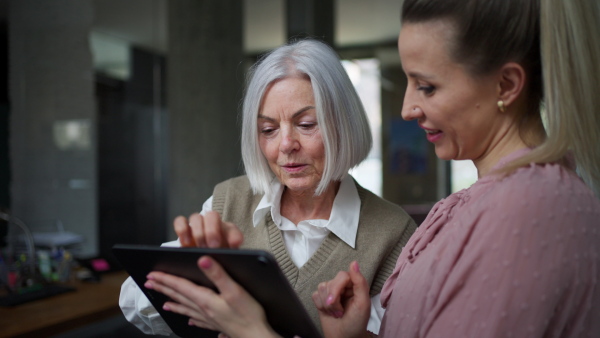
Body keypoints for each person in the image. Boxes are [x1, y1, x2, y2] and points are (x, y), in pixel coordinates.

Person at [142, 0, 600, 337]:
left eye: (427, 86)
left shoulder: (526, 210)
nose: (406, 108)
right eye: (267, 129)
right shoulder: (486, 203)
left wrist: (251, 330)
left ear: (507, 84)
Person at [120, 38, 417, 336]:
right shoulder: (229, 201)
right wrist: (195, 273)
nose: (285, 145)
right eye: (268, 130)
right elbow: (133, 299)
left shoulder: (392, 233)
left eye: (307, 123)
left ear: (344, 124)